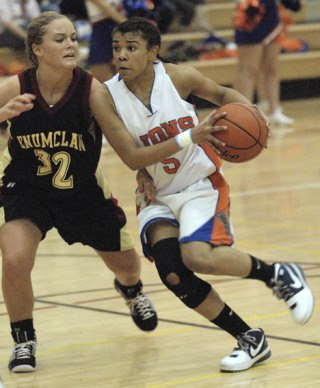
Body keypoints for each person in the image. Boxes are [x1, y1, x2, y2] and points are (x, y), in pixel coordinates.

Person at [89, 17, 314, 373]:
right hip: (157, 195)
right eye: (117, 48)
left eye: (131, 48)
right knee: (173, 273)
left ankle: (277, 274)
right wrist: (188, 137)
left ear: (153, 53)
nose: (121, 56)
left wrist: (254, 115)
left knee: (197, 257)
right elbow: (132, 157)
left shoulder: (177, 77)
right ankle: (249, 338)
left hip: (198, 184)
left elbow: (224, 95)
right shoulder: (105, 96)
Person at [0, 11, 160, 374]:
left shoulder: (92, 91)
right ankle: (24, 340)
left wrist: (145, 174)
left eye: (73, 37)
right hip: (25, 190)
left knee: (127, 266)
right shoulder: (16, 86)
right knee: (14, 258)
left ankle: (131, 291)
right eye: (61, 39)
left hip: (82, 190)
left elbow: (128, 143)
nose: (71, 43)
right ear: (38, 49)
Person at [233, 0, 301, 126]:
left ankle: (275, 110)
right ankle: (243, 114)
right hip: (249, 11)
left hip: (271, 13)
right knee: (248, 69)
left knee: (272, 67)